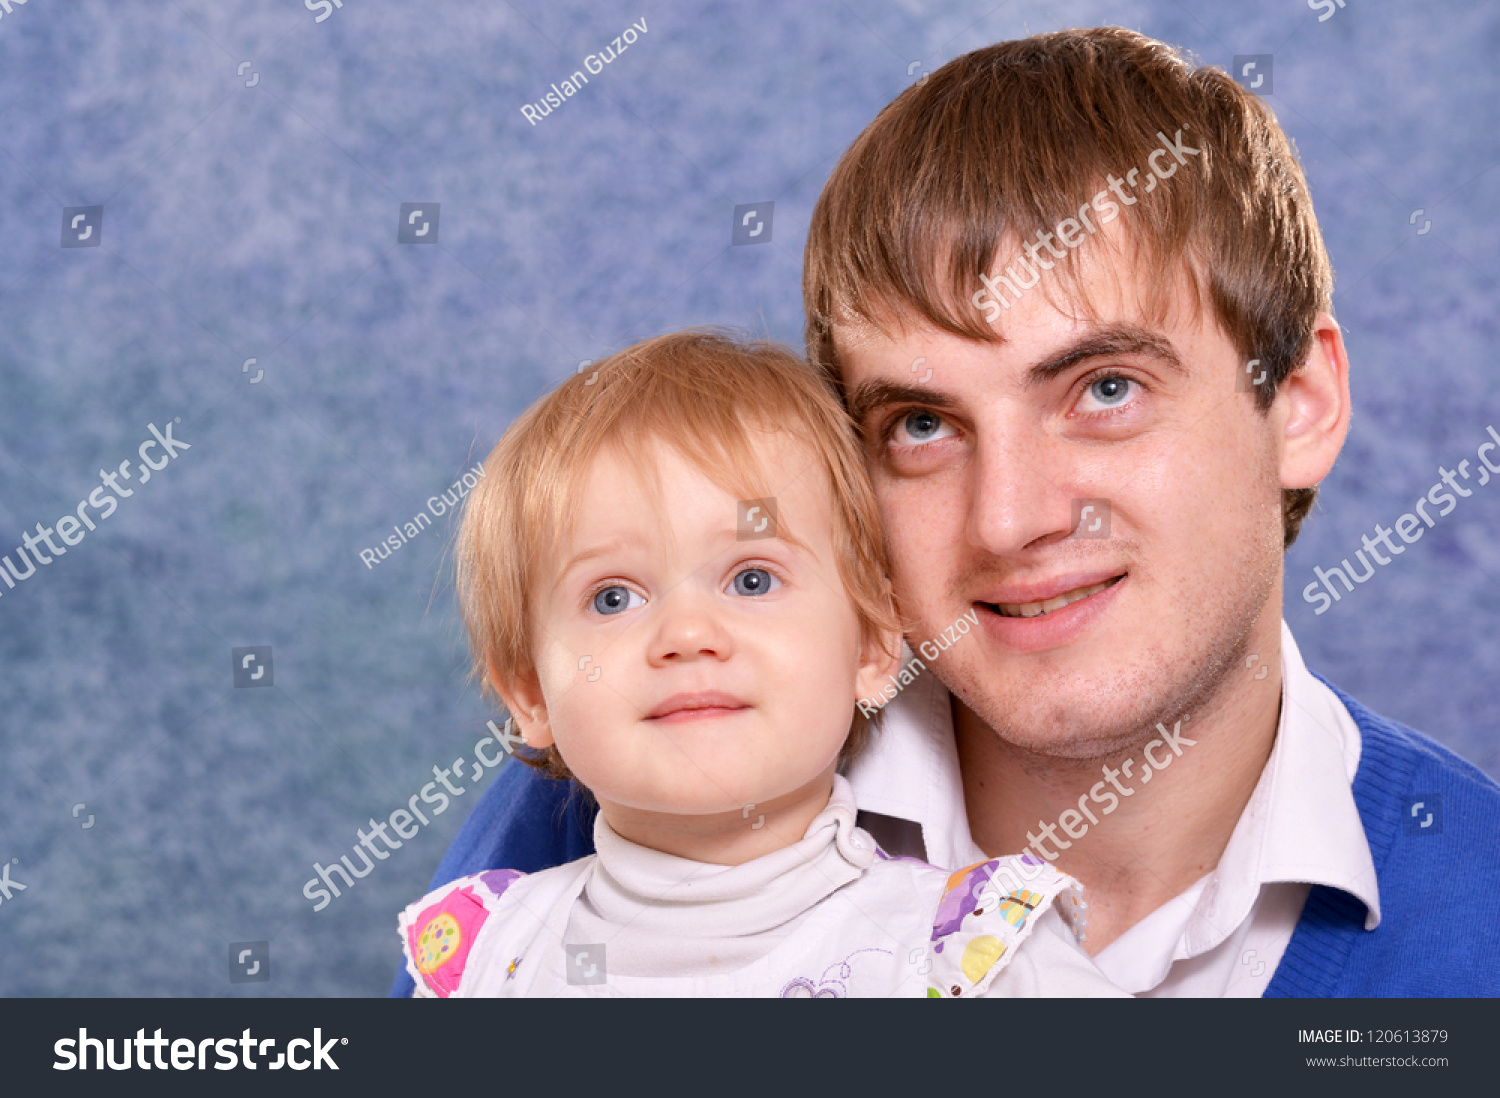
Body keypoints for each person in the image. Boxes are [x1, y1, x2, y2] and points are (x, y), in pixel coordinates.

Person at [395, 27, 1500, 999]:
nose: (1009, 519)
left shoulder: (1474, 923)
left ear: (1298, 405)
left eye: (1105, 389)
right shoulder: (638, 774)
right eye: (922, 425)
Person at [396, 330, 1124, 997]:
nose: (686, 634)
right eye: (613, 597)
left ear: (872, 646)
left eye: (752, 580)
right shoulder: (491, 957)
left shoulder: (970, 955)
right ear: (530, 694)